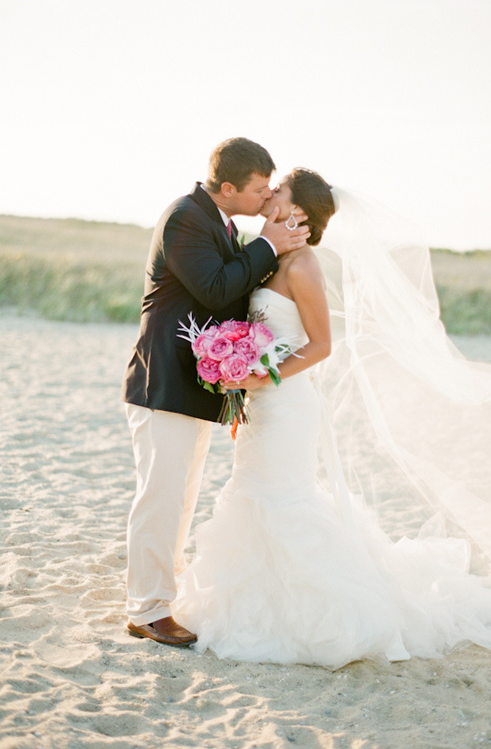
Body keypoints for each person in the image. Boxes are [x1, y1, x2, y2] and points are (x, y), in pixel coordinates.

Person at [171, 168, 491, 669]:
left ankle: (311, 613)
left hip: (289, 403)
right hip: (261, 405)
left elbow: (320, 346)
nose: (270, 193)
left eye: (279, 191)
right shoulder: (272, 257)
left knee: (284, 497)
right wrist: (238, 367)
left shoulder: (304, 267)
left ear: (297, 212)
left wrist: (262, 377)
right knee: (251, 489)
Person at [121, 138, 310, 646]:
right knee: (160, 498)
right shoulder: (185, 217)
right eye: (258, 188)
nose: (266, 195)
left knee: (180, 498)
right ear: (227, 188)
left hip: (196, 386)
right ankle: (147, 609)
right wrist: (268, 246)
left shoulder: (222, 223)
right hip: (163, 383)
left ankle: (159, 595)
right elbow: (216, 288)